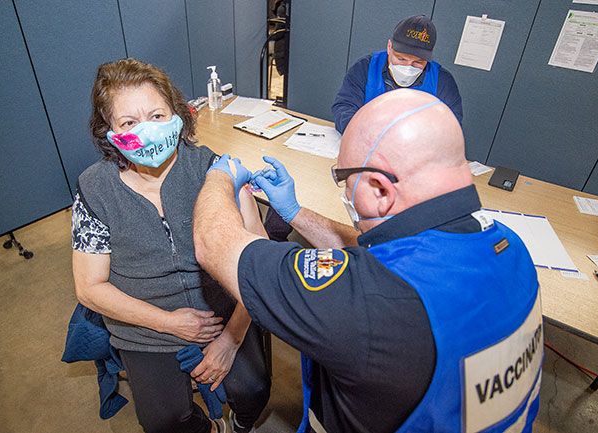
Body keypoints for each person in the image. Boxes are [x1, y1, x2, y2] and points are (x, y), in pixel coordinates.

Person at [193, 89, 542, 432]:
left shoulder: (366, 302)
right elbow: (391, 253)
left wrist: (219, 176)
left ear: (380, 188)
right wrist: (295, 214)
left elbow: (215, 245)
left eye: (344, 179)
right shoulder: (512, 247)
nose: (344, 191)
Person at [72, 58, 270, 433]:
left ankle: (240, 424)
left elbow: (259, 263)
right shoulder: (95, 190)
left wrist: (232, 337)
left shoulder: (215, 171)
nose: (146, 131)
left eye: (157, 115)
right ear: (109, 132)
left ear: (178, 115)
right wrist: (168, 322)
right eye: (129, 123)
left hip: (223, 311)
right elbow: (89, 287)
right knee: (164, 422)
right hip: (144, 322)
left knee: (254, 389)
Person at [332, 14, 463, 134]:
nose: (408, 67)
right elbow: (344, 107)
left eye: (418, 62)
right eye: (401, 59)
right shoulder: (365, 68)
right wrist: (365, 135)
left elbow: (452, 128)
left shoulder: (442, 82)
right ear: (389, 47)